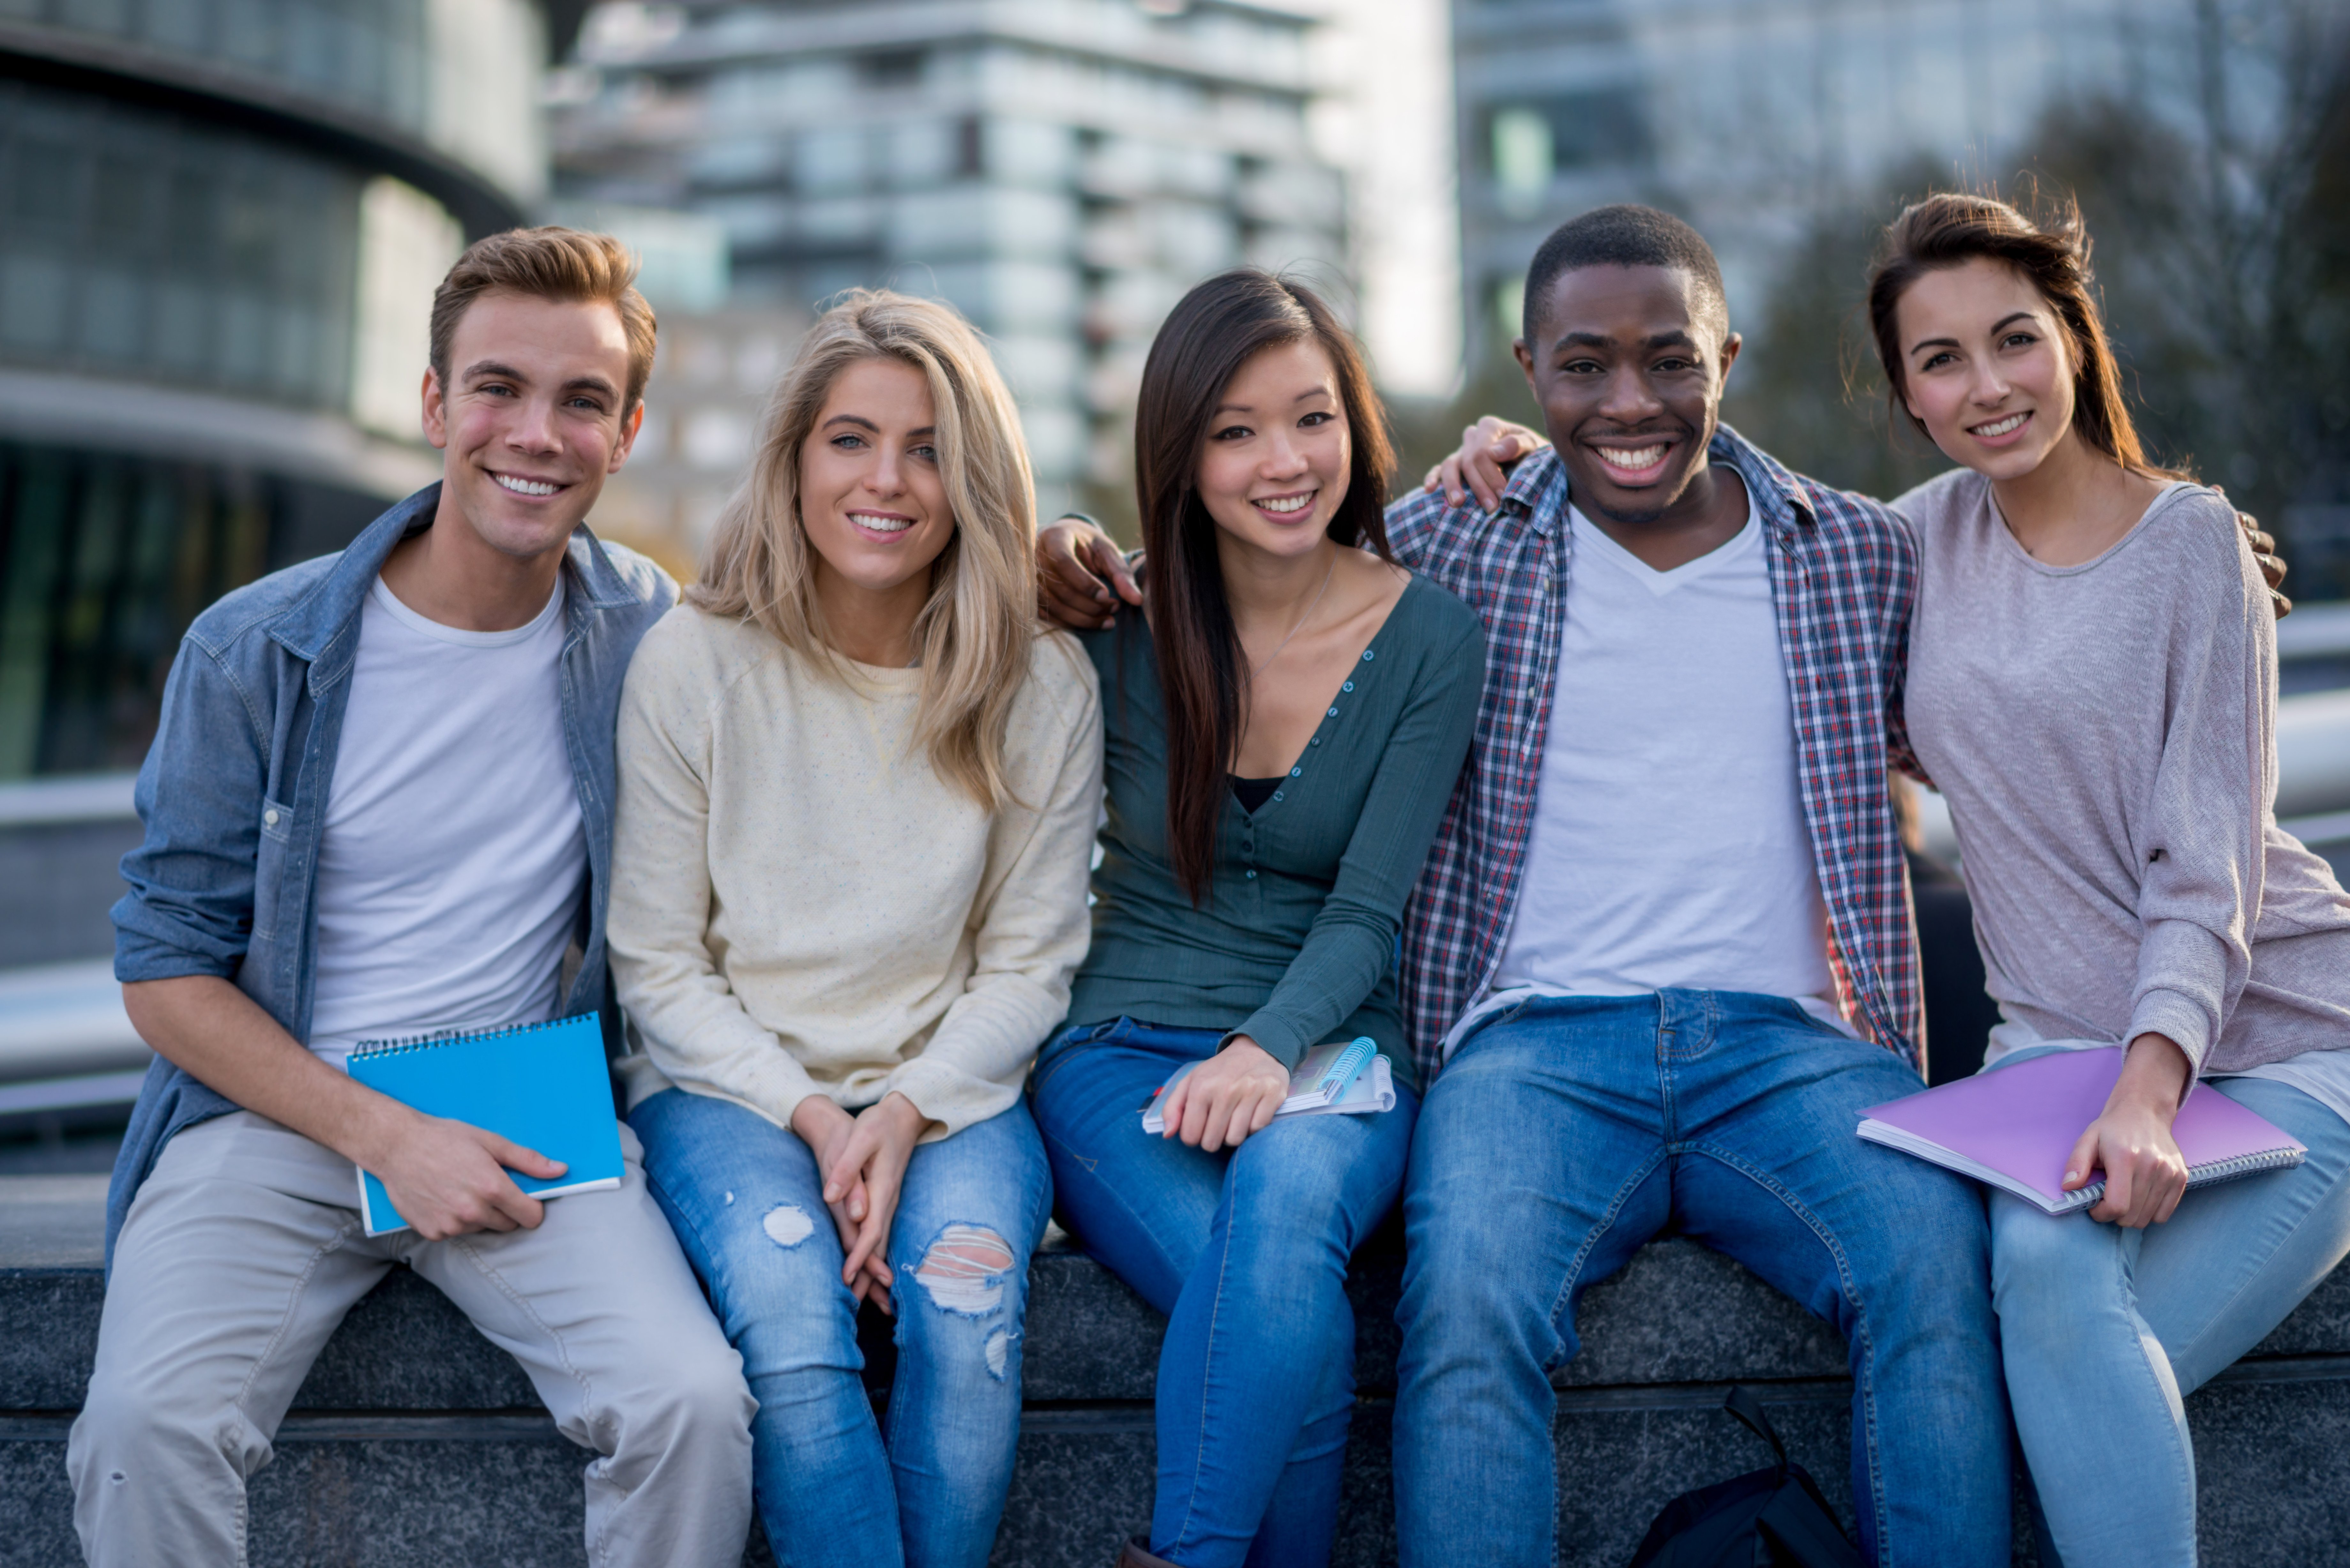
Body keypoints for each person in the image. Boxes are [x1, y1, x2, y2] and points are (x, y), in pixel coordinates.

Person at [1041, 208, 2012, 1566]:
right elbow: (1255, 567)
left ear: (1727, 357)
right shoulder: (1463, 543)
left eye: (1670, 361)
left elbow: (2028, 579)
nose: (1629, 403)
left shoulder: (1854, 554)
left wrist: (2191, 551)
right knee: (1466, 1304)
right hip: (1531, 1047)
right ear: (1528, 371)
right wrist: (1076, 555)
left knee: (1934, 1269)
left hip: (1794, 1048)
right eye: (1582, 366)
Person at [70, 229, 756, 1567]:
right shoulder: (255, 647)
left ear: (623, 437)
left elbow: (848, 610)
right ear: (436, 405)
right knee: (143, 1426)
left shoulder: (644, 634)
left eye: (582, 402)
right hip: (279, 1110)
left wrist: (1057, 558)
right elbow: (163, 971)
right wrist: (387, 1135)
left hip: (527, 1111)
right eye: (498, 388)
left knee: (693, 1406)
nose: (535, 434)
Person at [1865, 192, 2350, 1568]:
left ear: (2071, 337)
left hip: (2288, 1043)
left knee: (2062, 1359)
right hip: (2054, 1067)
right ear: (1906, 394)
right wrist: (1507, 449)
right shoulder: (1910, 544)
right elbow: (1726, 533)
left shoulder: (2193, 542)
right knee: (2042, 1298)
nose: (1987, 385)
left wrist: (2150, 1088)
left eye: (2012, 339)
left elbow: (2207, 867)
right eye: (1940, 359)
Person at [605, 289, 1102, 1568]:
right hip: (727, 1088)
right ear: (792, 457)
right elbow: (658, 961)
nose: (888, 480)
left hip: (958, 1092)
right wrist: (818, 1120)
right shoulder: (693, 661)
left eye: (930, 447)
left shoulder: (1038, 678)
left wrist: (902, 1112)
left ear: (976, 478)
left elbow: (1030, 960)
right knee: (787, 1308)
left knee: (970, 1300)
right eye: (851, 439)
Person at [1027, 270, 1483, 1568]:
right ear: (1180, 456)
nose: (1283, 463)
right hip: (1117, 1048)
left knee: (1285, 1212)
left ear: (1357, 427)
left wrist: (1262, 1050)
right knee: (1299, 1329)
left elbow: (1367, 913)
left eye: (1311, 419)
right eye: (1234, 431)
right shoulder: (1116, 623)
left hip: (1335, 1044)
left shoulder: (1430, 637)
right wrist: (1051, 535)